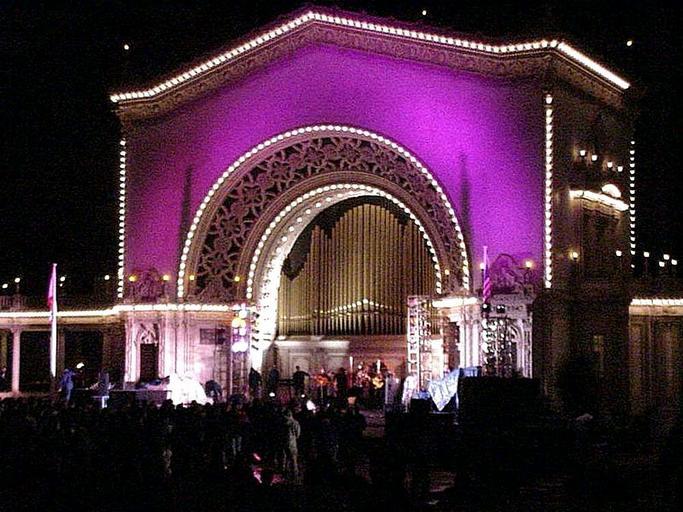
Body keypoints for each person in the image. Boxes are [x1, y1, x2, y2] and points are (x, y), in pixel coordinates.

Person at [282, 409, 301, 482]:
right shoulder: (295, 423)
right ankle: (294, 476)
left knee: (285, 459)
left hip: (284, 442)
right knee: (293, 460)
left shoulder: (282, 422)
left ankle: (286, 474)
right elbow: (298, 434)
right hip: (292, 443)